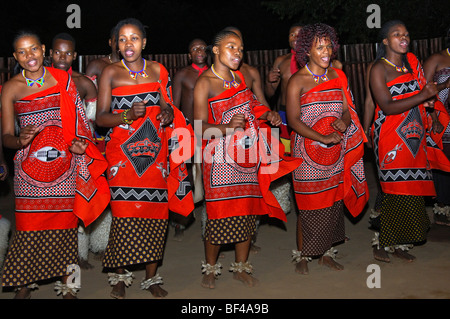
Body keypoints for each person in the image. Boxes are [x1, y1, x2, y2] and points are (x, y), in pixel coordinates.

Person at [0, 31, 110, 299]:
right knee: (27, 230)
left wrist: (79, 144)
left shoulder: (62, 80)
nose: (29, 56)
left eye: (33, 49)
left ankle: (70, 286)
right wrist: (19, 139)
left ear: (43, 50)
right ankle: (24, 286)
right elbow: (5, 136)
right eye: (22, 52)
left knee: (66, 232)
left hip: (65, 167)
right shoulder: (11, 88)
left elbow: (80, 123)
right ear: (15, 57)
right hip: (29, 172)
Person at [193, 30, 300, 289]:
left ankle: (241, 267)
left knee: (247, 213)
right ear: (215, 51)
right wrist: (227, 127)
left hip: (247, 157)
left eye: (241, 48)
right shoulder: (205, 82)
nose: (238, 53)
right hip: (219, 160)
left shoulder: (239, 78)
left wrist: (269, 116)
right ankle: (210, 268)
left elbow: (254, 107)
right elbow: (197, 128)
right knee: (219, 215)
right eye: (231, 47)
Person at [96, 18, 194, 299]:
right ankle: (120, 275)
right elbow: (101, 118)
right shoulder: (110, 73)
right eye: (123, 39)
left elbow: (168, 107)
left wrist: (166, 114)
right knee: (125, 215)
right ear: (116, 43)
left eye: (134, 38)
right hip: (121, 157)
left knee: (156, 214)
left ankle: (151, 279)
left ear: (145, 42)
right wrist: (127, 115)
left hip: (154, 154)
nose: (129, 44)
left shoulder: (159, 71)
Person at [286, 23, 369, 275]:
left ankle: (326, 253)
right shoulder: (297, 81)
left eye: (328, 45)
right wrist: (321, 136)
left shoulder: (337, 75)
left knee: (333, 202)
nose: (325, 51)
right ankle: (302, 255)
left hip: (335, 151)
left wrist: (344, 121)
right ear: (306, 51)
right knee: (309, 205)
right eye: (318, 47)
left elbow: (346, 107)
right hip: (307, 155)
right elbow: (293, 120)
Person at [369, 20, 450, 263]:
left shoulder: (408, 68)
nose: (403, 37)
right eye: (396, 34)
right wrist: (422, 96)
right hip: (391, 137)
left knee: (411, 192)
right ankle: (381, 243)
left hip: (413, 138)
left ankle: (399, 243)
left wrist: (427, 104)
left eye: (406, 33)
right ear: (385, 41)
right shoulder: (379, 69)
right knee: (394, 191)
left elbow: (414, 98)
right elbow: (387, 106)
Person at [50, 32, 113, 269]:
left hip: (79, 150)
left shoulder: (85, 83)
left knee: (85, 198)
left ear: (75, 55)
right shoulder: (42, 80)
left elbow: (93, 120)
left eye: (68, 52)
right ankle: (62, 252)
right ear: (50, 54)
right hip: (50, 151)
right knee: (60, 204)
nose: (63, 56)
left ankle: (85, 251)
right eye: (58, 52)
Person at [171, 38, 208, 240]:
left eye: (202, 47)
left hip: (210, 132)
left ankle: (211, 224)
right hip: (186, 131)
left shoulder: (214, 75)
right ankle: (180, 219)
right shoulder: (183, 75)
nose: (199, 51)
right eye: (194, 48)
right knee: (183, 177)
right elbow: (175, 106)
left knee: (210, 176)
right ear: (189, 54)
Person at [423, 29, 450, 226]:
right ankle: (441, 207)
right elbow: (424, 91)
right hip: (441, 119)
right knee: (442, 164)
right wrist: (433, 117)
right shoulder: (437, 58)